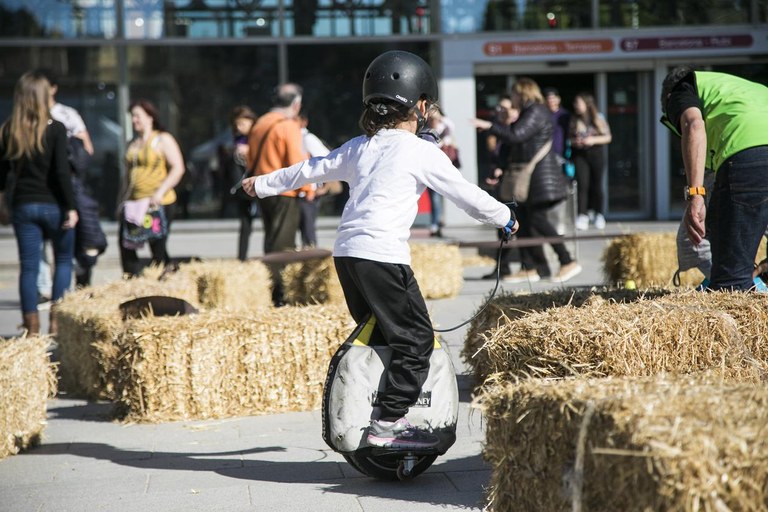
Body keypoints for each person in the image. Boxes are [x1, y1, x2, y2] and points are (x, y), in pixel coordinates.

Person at [241, 50, 517, 449]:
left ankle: (371, 409)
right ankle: (388, 423)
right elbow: (466, 195)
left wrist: (262, 183)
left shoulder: (359, 146)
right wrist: (505, 218)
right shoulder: (422, 152)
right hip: (383, 256)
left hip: (348, 256)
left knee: (384, 338)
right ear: (421, 106)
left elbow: (310, 169)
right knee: (416, 341)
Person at [660, 65, 768, 291]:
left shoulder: (683, 88)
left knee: (731, 286)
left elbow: (693, 125)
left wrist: (695, 194)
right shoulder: (748, 92)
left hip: (749, 155)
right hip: (752, 156)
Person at [472, 78, 582, 284]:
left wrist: (490, 126)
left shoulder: (536, 111)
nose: (512, 98)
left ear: (522, 93)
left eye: (514, 94)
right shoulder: (532, 111)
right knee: (525, 220)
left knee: (538, 220)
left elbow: (516, 135)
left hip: (539, 176)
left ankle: (567, 260)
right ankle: (531, 267)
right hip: (532, 176)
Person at [0, 71, 78, 335]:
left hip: (23, 205)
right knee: (64, 260)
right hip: (54, 205)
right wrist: (71, 206)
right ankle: (56, 321)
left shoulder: (9, 129)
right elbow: (61, 172)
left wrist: (3, 203)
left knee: (29, 267)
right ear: (45, 96)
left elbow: (2, 174)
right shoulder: (55, 128)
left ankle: (32, 326)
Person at [246, 83, 310, 306]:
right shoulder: (289, 125)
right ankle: (281, 293)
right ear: (296, 104)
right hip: (285, 191)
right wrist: (308, 188)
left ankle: (271, 287)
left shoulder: (260, 123)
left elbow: (250, 157)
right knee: (283, 244)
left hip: (262, 188)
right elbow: (296, 162)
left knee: (271, 239)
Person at [41, 69, 106, 288]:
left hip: (68, 184)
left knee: (73, 242)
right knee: (47, 249)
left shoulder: (65, 116)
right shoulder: (28, 117)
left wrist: (71, 162)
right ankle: (49, 292)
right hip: (44, 189)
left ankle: (79, 282)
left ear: (53, 88)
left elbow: (86, 149)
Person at [118, 99, 185, 277]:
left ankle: (166, 277)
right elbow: (127, 176)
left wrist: (160, 192)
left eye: (138, 116)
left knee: (157, 243)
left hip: (158, 202)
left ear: (150, 117)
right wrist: (121, 202)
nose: (134, 120)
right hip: (134, 204)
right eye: (132, 117)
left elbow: (178, 168)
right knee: (126, 243)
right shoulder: (133, 143)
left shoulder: (162, 139)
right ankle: (132, 278)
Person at [480, 94, 519, 278]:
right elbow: (494, 157)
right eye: (499, 108)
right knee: (501, 227)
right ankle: (502, 268)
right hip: (499, 182)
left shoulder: (514, 130)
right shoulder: (496, 129)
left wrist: (501, 170)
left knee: (511, 225)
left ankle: (509, 267)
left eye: (505, 108)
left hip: (513, 183)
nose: (501, 111)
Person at [569, 92, 612, 230]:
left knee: (597, 185)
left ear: (586, 104)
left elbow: (608, 137)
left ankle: (598, 213)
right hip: (580, 154)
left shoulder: (598, 117)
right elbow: (569, 139)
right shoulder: (574, 119)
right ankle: (583, 214)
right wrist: (576, 142)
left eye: (578, 103)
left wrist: (592, 140)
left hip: (596, 154)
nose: (576, 106)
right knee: (582, 184)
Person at [228, 105, 258, 261]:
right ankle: (241, 257)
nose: (239, 127)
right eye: (236, 125)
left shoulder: (258, 137)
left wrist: (249, 151)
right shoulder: (238, 139)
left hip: (260, 182)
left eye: (242, 124)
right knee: (245, 224)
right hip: (244, 187)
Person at [297, 109, 331, 248]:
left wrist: (323, 187)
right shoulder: (293, 137)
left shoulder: (307, 138)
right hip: (297, 191)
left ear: (304, 121)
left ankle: (312, 260)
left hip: (308, 193)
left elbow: (329, 160)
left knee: (308, 231)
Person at [425, 107, 459, 237]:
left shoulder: (444, 128)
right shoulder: (427, 130)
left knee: (438, 196)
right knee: (434, 197)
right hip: (430, 168)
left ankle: (436, 222)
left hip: (443, 168)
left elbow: (451, 125)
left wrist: (439, 117)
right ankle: (436, 223)